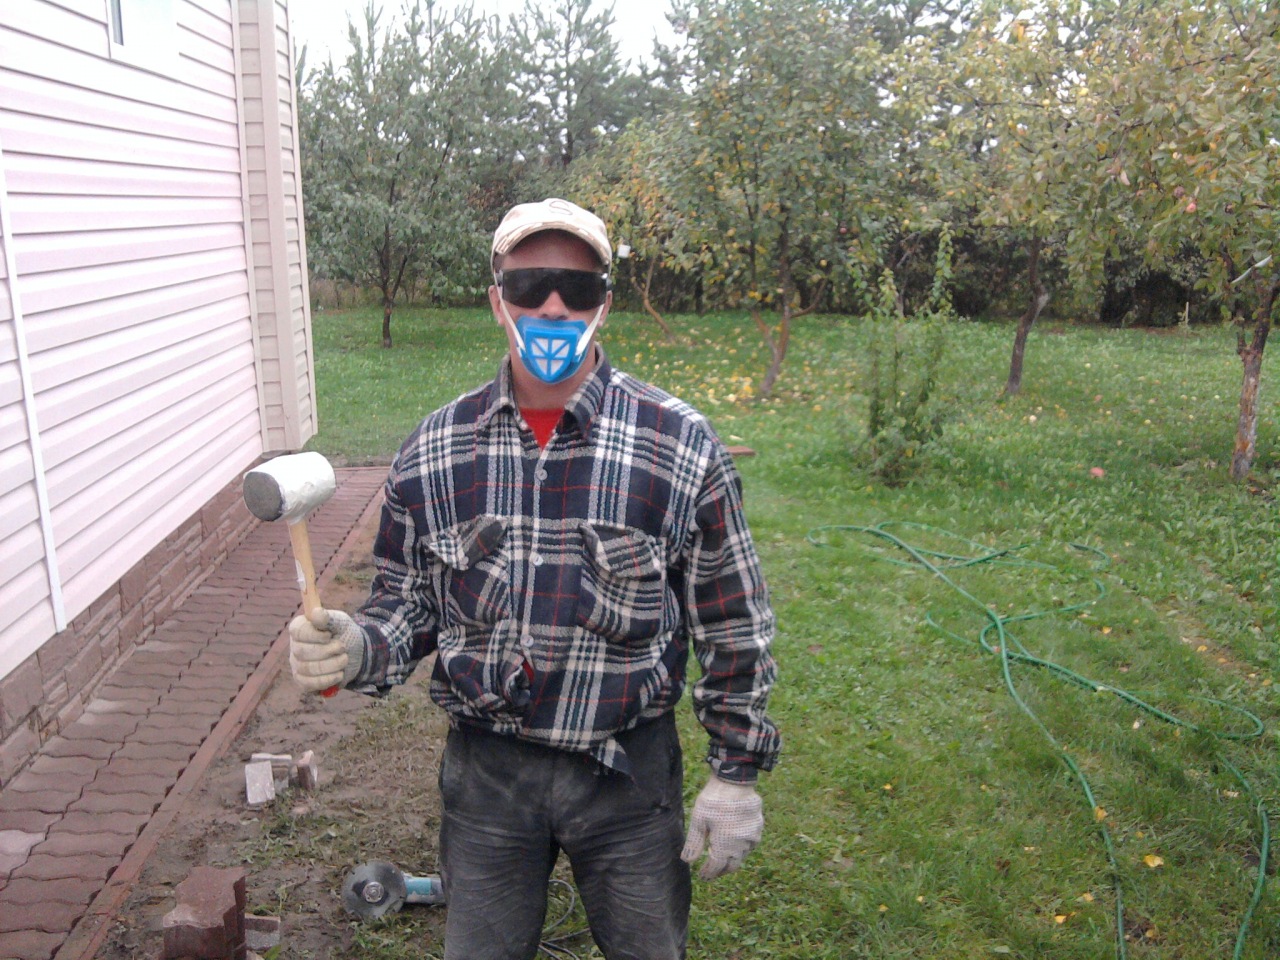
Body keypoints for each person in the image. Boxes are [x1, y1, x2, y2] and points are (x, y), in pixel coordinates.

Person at [288, 197, 780, 960]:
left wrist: (736, 773)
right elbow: (407, 605)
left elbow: (731, 619)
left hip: (627, 774)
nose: (553, 306)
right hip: (487, 780)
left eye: (577, 288)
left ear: (604, 305)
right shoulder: (434, 451)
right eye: (529, 285)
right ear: (498, 302)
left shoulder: (679, 446)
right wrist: (357, 647)